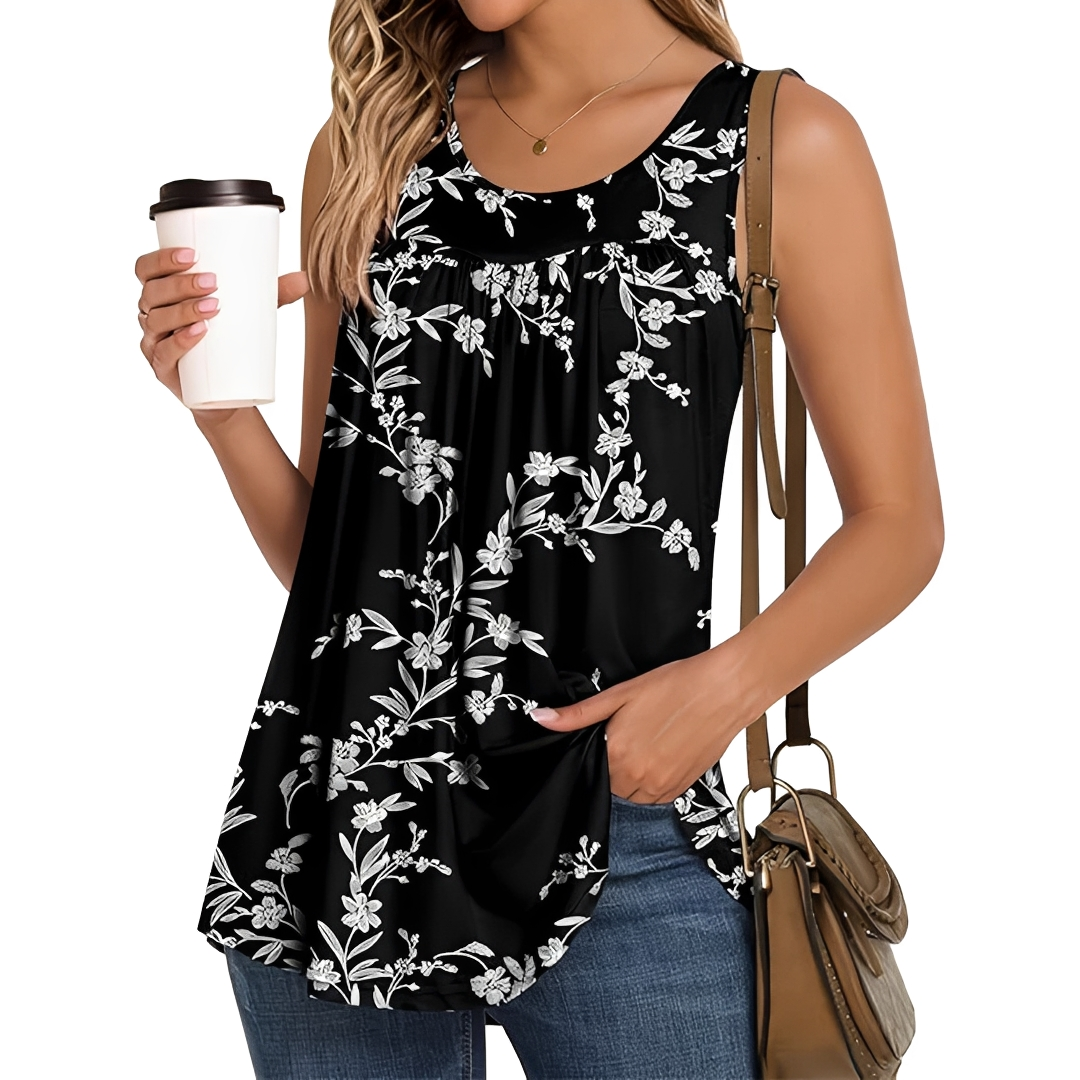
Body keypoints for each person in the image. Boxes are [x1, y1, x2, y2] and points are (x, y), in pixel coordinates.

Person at [134, 1, 943, 1077]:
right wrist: (222, 411)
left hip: (628, 829)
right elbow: (345, 578)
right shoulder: (371, 145)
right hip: (343, 830)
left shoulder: (780, 143)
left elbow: (900, 522)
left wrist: (724, 689)